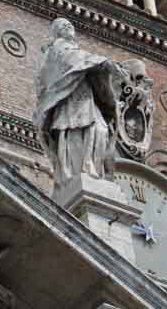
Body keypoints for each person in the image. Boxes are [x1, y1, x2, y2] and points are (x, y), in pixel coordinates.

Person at [34, 17, 128, 187]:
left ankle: (92, 169)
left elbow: (80, 60)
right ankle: (81, 170)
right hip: (71, 103)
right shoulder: (58, 48)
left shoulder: (69, 49)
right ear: (56, 33)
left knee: (101, 130)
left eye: (69, 24)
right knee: (81, 132)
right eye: (63, 25)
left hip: (85, 100)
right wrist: (104, 62)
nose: (69, 26)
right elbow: (73, 59)